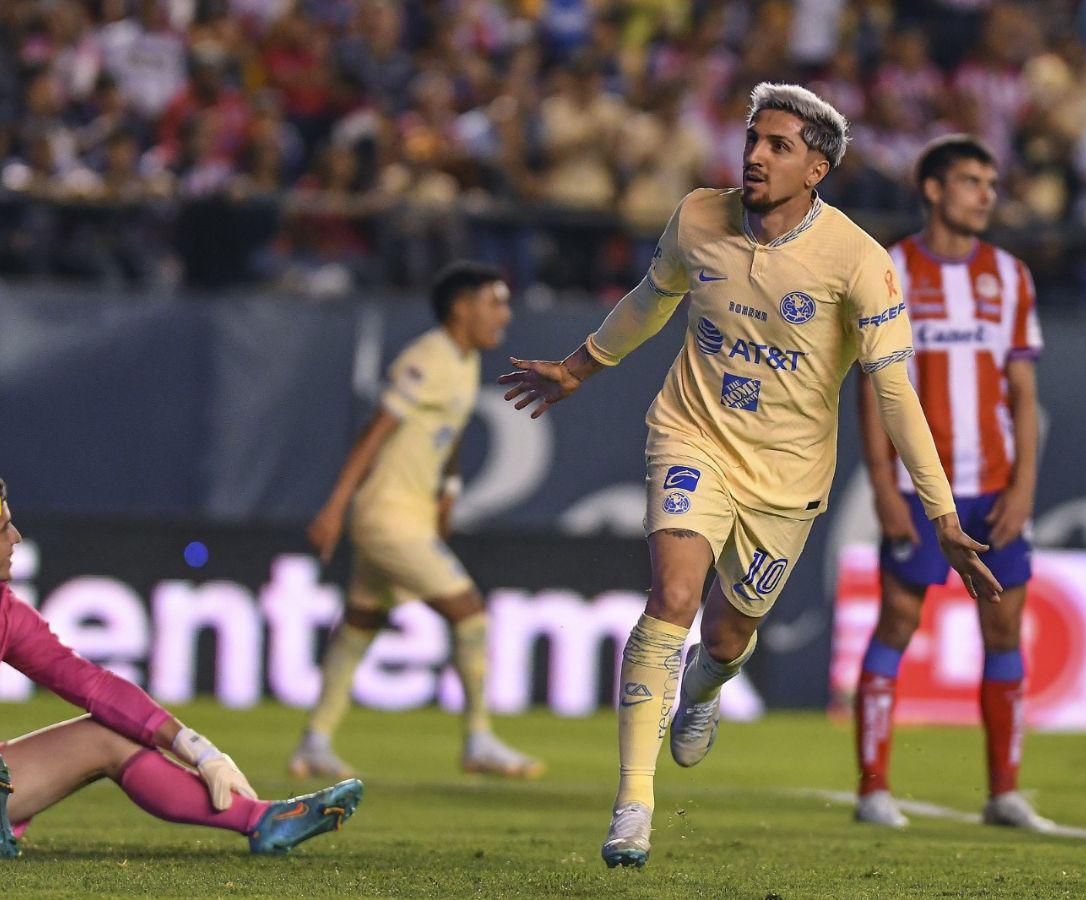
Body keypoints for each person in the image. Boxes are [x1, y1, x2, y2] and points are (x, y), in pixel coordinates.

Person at [498, 83, 1002, 869]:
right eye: (753, 139)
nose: (755, 155)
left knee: (731, 634)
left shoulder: (859, 262)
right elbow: (651, 298)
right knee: (672, 594)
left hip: (788, 479)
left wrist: (941, 517)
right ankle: (633, 803)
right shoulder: (699, 216)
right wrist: (578, 366)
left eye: (778, 146)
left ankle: (703, 686)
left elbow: (896, 394)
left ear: (817, 170)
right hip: (691, 435)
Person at [0, 478, 362, 858]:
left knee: (108, 736)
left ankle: (262, 820)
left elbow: (94, 686)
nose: (17, 537)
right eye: (5, 527)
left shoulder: (8, 612)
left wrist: (196, 748)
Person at [852, 135, 1048, 831]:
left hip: (995, 486)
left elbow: (1023, 392)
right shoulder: (891, 269)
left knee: (1003, 627)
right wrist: (880, 481)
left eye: (991, 182)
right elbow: (875, 385)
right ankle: (874, 787)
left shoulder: (1011, 275)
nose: (986, 194)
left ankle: (1004, 792)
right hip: (917, 487)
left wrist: (1024, 486)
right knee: (898, 622)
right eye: (971, 181)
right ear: (933, 189)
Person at [289, 261, 543, 780]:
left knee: (361, 622)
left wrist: (447, 491)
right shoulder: (427, 358)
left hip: (409, 516)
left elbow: (445, 435)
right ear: (461, 307)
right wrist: (335, 505)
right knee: (470, 613)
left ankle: (315, 742)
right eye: (494, 302)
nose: (504, 314)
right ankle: (478, 739)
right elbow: (375, 431)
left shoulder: (464, 360)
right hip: (388, 518)